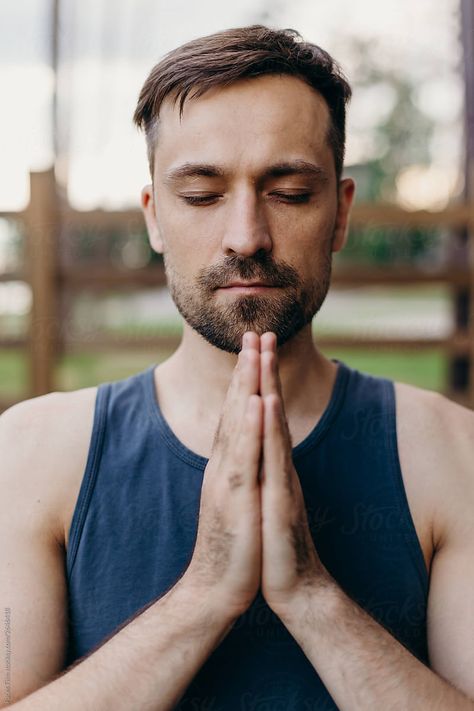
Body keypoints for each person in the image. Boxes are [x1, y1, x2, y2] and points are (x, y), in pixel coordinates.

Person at [1, 24, 473, 711]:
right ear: (154, 215)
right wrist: (206, 592)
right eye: (201, 193)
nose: (246, 236)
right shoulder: (31, 453)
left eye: (288, 192)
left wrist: (308, 593)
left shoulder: (453, 454)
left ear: (339, 215)